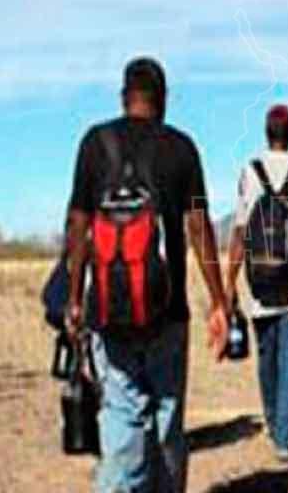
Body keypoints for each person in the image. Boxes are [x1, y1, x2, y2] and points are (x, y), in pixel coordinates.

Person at [64, 56, 229, 493]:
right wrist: (219, 301)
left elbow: (78, 224)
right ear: (164, 99)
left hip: (107, 311)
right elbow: (199, 226)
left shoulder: (94, 143)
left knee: (122, 416)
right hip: (167, 313)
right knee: (167, 421)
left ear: (124, 98)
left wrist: (75, 298)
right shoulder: (181, 147)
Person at [225, 104, 288, 463]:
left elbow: (239, 232)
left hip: (259, 288)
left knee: (267, 360)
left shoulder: (250, 172)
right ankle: (285, 438)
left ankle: (273, 421)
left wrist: (229, 282)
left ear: (267, 133)